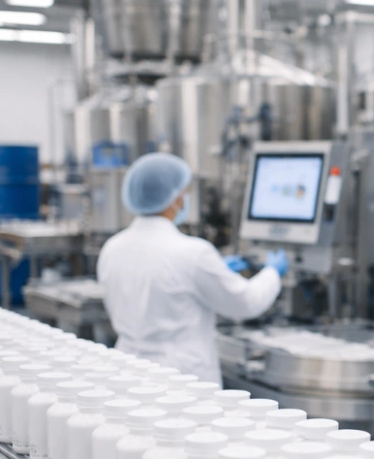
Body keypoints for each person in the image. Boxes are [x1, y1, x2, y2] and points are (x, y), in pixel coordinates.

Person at [97, 152, 288, 385]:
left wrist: (214, 271)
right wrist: (272, 272)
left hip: (129, 373)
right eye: (185, 193)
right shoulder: (192, 254)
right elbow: (246, 302)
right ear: (176, 199)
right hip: (180, 380)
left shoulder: (113, 248)